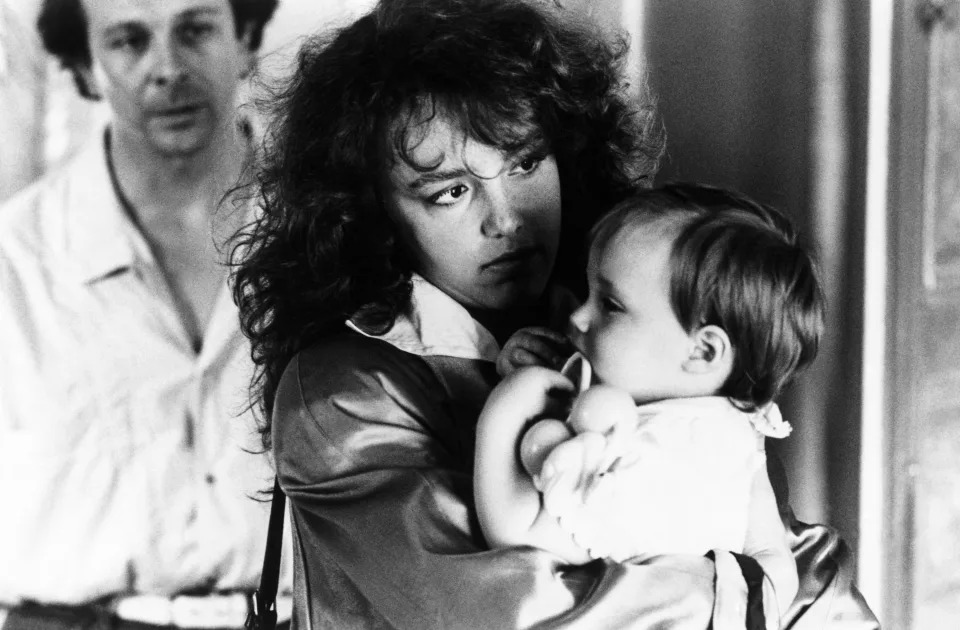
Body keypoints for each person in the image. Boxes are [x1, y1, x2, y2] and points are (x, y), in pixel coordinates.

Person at [231, 0, 879, 628]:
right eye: (452, 192)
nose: (507, 219)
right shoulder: (343, 391)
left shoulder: (636, 333)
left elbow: (814, 575)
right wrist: (751, 588)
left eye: (524, 162)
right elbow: (522, 612)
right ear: (370, 210)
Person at [0, 1, 286, 629]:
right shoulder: (15, 266)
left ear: (243, 39)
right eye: (129, 40)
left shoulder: (334, 234)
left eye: (195, 30)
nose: (168, 69)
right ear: (83, 67)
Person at [475, 184, 823, 624]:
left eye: (611, 305)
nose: (578, 317)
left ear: (702, 353)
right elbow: (770, 557)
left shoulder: (661, 461)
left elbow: (516, 532)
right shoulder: (733, 433)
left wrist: (507, 405)